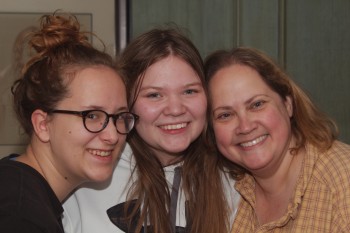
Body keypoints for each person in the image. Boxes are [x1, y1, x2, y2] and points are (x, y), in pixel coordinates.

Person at [62, 27, 240, 233]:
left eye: (189, 91)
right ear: (127, 103)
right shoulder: (86, 176)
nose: (175, 109)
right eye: (154, 95)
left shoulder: (235, 180)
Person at [0, 13, 138, 233]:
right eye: (92, 116)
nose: (112, 136)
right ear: (43, 124)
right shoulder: (19, 214)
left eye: (119, 117)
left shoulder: (20, 189)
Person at [204, 47, 350, 232]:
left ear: (288, 104)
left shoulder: (343, 182)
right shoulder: (229, 192)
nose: (245, 127)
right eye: (225, 115)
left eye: (257, 104)